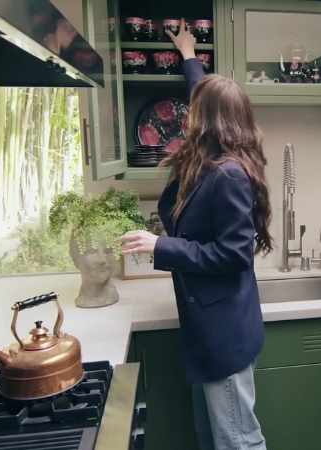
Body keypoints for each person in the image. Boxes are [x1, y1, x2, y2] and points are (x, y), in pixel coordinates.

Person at [115, 18, 271, 450]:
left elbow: (234, 254)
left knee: (238, 441)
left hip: (222, 333)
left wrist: (161, 246)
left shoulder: (229, 175)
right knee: (210, 436)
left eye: (195, 112)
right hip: (208, 325)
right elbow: (203, 91)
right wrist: (188, 56)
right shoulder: (214, 154)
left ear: (211, 122)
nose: (187, 117)